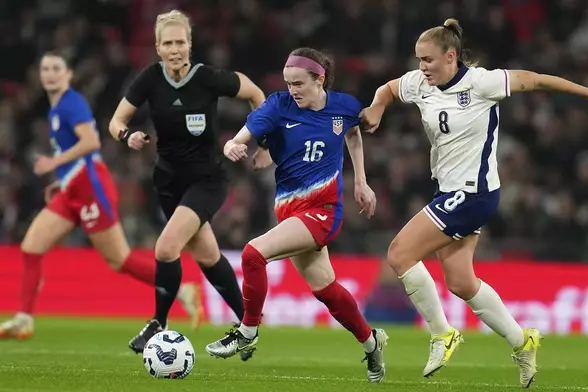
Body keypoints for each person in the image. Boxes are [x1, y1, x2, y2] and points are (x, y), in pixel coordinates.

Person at [360, 18, 588, 388]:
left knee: (400, 253)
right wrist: (376, 108)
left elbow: (536, 80)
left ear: (451, 56)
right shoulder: (421, 83)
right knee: (461, 281)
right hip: (448, 191)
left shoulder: (481, 83)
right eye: (418, 60)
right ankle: (522, 342)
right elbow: (388, 89)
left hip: (473, 192)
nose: (421, 68)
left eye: (428, 60)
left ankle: (442, 334)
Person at [205, 47, 389, 383]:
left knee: (252, 254)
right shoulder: (278, 105)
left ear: (319, 79)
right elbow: (251, 126)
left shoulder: (344, 106)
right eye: (289, 83)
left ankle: (247, 330)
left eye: (299, 83)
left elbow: (353, 131)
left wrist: (360, 180)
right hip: (289, 209)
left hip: (323, 211)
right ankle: (371, 342)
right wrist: (234, 142)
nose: (293, 90)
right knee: (327, 291)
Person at [0, 51, 203, 340]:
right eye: (45, 69)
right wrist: (62, 180)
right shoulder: (56, 109)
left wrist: (54, 165)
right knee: (32, 246)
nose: (50, 74)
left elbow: (91, 142)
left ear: (68, 74)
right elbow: (75, 154)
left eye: (56, 68)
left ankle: (181, 290)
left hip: (91, 187)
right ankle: (23, 317)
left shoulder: (71, 103)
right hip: (73, 187)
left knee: (119, 259)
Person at [108, 10, 267, 360]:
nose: (175, 49)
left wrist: (265, 143)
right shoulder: (149, 79)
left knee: (166, 249)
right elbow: (116, 120)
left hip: (206, 181)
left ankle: (158, 322)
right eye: (168, 43)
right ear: (158, 47)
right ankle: (248, 325)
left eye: (181, 42)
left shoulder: (208, 78)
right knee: (209, 256)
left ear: (190, 44)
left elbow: (257, 94)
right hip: (167, 181)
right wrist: (127, 135)